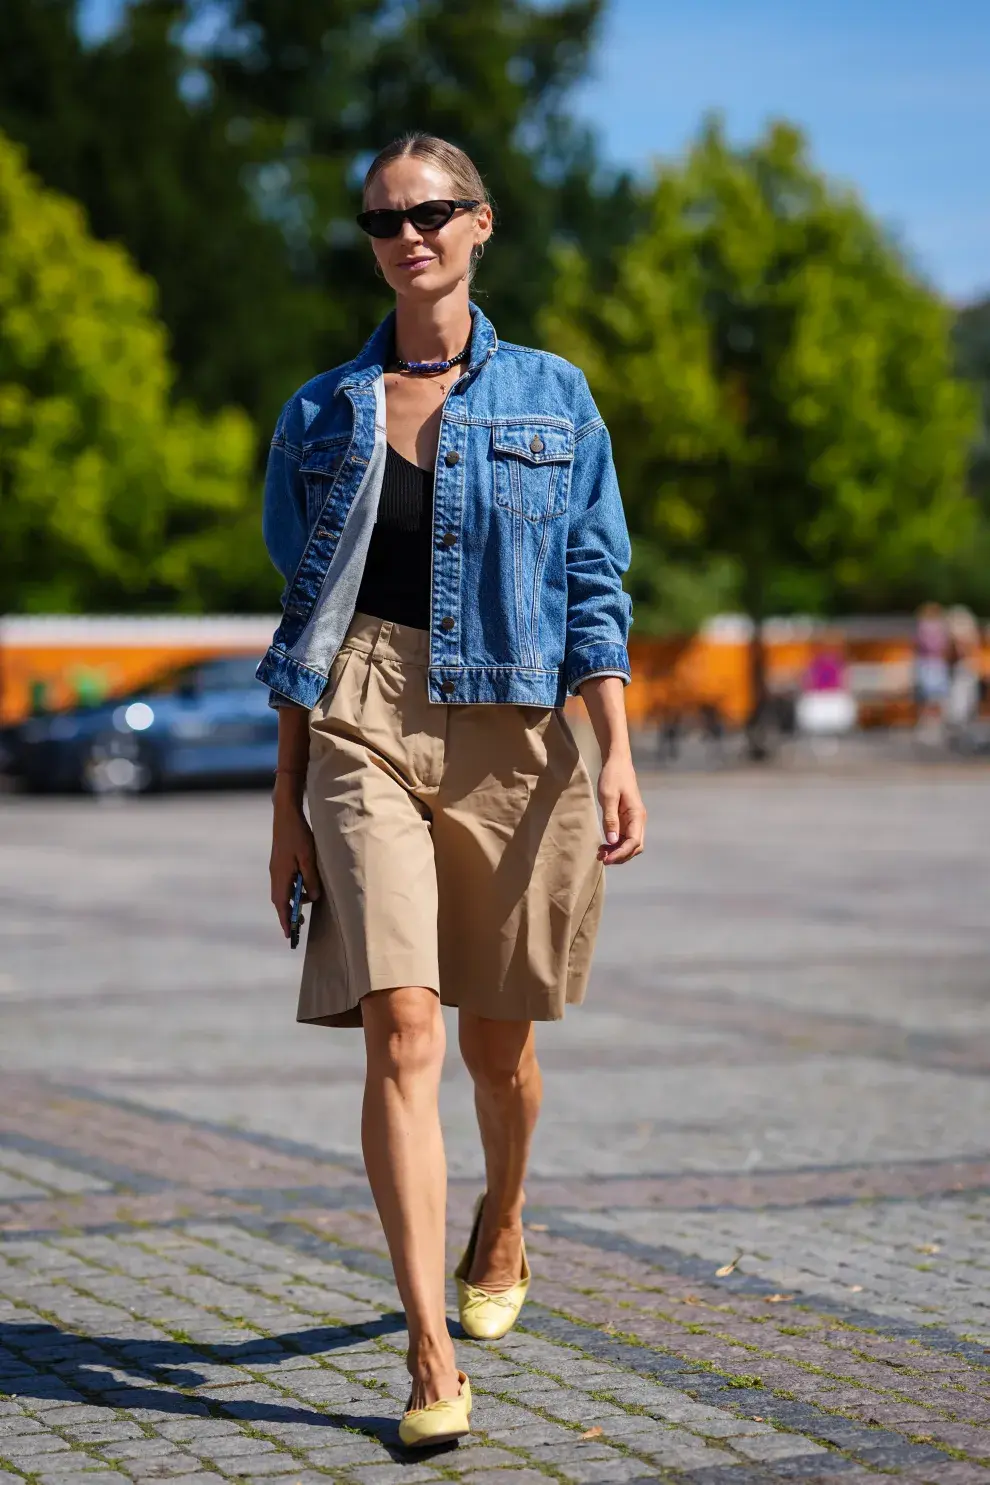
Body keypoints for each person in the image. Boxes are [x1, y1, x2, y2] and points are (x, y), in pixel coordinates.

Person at [257, 134, 645, 1448]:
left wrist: (619, 752)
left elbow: (592, 589)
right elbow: (302, 619)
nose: (405, 233)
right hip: (362, 710)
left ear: (481, 225)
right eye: (381, 217)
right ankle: (429, 1360)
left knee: (498, 1047)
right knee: (402, 1031)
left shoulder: (554, 393)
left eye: (429, 212)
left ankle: (507, 1217)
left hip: (514, 726)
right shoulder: (318, 412)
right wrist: (284, 807)